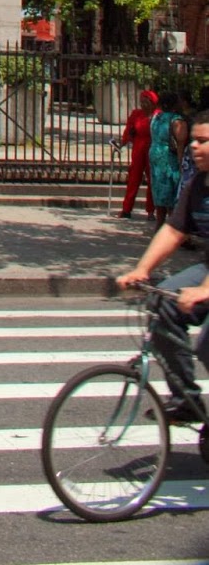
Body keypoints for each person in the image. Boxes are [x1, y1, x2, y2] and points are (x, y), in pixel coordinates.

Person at [117, 109, 209, 423]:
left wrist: (203, 291)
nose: (194, 146)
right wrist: (141, 269)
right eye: (193, 140)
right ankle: (186, 400)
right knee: (163, 302)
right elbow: (173, 229)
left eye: (203, 141)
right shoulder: (198, 184)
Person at [116, 88, 158, 218]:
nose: (143, 104)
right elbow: (129, 130)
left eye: (146, 102)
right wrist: (122, 143)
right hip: (138, 148)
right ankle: (127, 208)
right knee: (134, 178)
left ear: (153, 103)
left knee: (152, 180)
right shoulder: (136, 114)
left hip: (152, 148)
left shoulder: (158, 115)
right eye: (142, 101)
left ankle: (151, 211)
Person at [149, 89, 186, 224]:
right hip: (169, 158)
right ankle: (172, 225)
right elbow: (180, 144)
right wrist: (181, 163)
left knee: (159, 189)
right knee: (172, 190)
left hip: (155, 154)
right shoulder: (176, 120)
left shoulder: (156, 118)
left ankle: (159, 223)